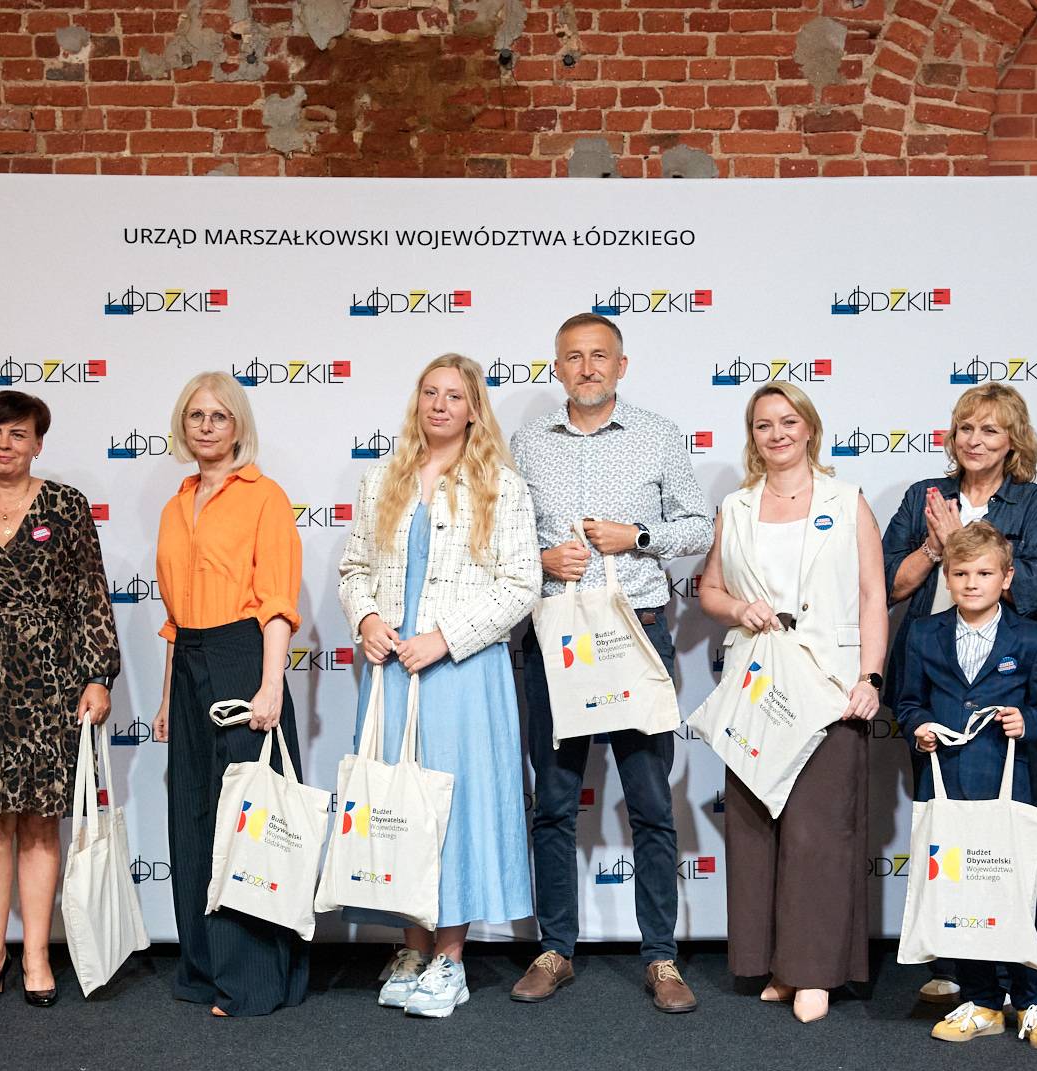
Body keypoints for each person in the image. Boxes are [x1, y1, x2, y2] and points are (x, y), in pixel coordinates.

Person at [509, 312, 714, 1013]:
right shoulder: (527, 443)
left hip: (638, 632)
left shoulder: (658, 434)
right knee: (554, 802)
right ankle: (555, 949)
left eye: (600, 355)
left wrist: (638, 535)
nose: (587, 367)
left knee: (651, 802)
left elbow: (698, 526)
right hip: (556, 636)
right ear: (557, 368)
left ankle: (661, 956)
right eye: (573, 357)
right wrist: (541, 558)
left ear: (621, 365)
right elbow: (501, 538)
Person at [337, 353, 540, 1018]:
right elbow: (354, 568)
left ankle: (450, 957)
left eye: (454, 395)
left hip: (461, 671)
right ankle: (412, 947)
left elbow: (522, 585)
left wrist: (446, 637)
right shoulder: (382, 478)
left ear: (474, 409)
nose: (440, 405)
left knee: (453, 813)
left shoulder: (501, 486)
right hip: (393, 670)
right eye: (430, 392)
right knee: (397, 808)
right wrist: (367, 618)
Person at [0, 391, 120, 1009]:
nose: (4, 445)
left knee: (37, 822)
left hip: (49, 682)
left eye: (17, 434)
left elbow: (90, 595)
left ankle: (36, 953)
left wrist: (97, 676)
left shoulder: (66, 506)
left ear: (37, 443)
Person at [697, 380, 887, 1023]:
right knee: (755, 827)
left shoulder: (847, 500)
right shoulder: (736, 506)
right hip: (758, 686)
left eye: (787, 421)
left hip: (830, 685)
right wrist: (738, 609)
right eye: (763, 425)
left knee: (818, 831)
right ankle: (774, 965)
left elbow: (873, 596)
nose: (776, 434)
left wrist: (870, 678)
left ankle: (815, 973)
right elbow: (710, 590)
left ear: (809, 428)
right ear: (752, 437)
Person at [881, 381, 1037, 1005]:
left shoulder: (1032, 503)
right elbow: (888, 583)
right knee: (946, 833)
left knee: (1002, 836)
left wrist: (967, 539)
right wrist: (936, 545)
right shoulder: (923, 498)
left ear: (1013, 440)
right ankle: (959, 965)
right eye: (965, 428)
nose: (975, 440)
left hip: (1004, 683)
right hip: (933, 681)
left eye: (990, 430)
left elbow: (1035, 592)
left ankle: (1016, 974)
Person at [151, 372, 306, 1017]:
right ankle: (203, 969)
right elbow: (173, 618)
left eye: (219, 415)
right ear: (182, 426)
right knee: (192, 818)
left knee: (250, 822)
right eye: (196, 415)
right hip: (189, 663)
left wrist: (270, 685)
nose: (207, 426)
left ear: (238, 425)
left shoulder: (266, 497)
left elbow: (277, 603)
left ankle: (254, 979)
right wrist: (167, 697)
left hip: (245, 659)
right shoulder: (175, 504)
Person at [894, 521, 1037, 1049]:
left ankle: (1033, 1002)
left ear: (1007, 577)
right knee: (960, 894)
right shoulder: (923, 633)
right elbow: (907, 702)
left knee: (1014, 889)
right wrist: (918, 727)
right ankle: (982, 1001)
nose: (972, 583)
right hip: (947, 786)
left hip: (1009, 785)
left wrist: (1026, 721)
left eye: (985, 573)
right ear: (946, 577)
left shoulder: (1033, 636)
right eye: (961, 573)